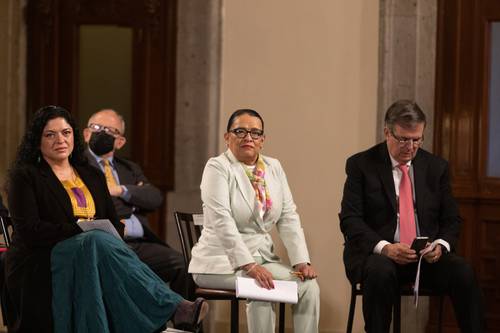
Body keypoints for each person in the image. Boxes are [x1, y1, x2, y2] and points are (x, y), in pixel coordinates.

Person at [4, 106, 208, 333]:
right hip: (42, 257)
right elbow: (29, 231)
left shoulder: (91, 175)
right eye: (50, 134)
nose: (60, 140)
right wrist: (79, 229)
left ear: (74, 136)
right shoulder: (25, 176)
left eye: (65, 132)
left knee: (100, 243)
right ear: (37, 141)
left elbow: (113, 222)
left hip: (95, 251)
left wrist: (101, 232)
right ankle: (174, 308)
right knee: (95, 241)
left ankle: (168, 312)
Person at [339, 100, 484, 332]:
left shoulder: (436, 167)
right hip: (380, 254)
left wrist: (440, 244)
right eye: (403, 139)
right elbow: (350, 219)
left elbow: (452, 219)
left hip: (424, 259)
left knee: (463, 271)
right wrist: (385, 247)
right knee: (379, 272)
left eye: (417, 139)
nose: (410, 146)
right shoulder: (361, 165)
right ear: (387, 132)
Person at [189, 109, 320, 333]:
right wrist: (249, 265)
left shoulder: (273, 167)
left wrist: (301, 261)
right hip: (219, 261)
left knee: (309, 287)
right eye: (240, 131)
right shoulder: (217, 167)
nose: (248, 137)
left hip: (262, 258)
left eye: (255, 133)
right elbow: (222, 221)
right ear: (227, 137)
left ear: (262, 140)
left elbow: (288, 216)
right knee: (262, 287)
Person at [82, 109, 188, 296]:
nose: (102, 133)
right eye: (97, 127)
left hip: (140, 243)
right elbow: (101, 205)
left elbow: (154, 197)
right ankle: (159, 318)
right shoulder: (78, 166)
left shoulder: (129, 168)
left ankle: (188, 324)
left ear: (120, 142)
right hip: (108, 243)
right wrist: (132, 201)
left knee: (183, 264)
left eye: (110, 131)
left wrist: (120, 190)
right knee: (137, 276)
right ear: (86, 133)